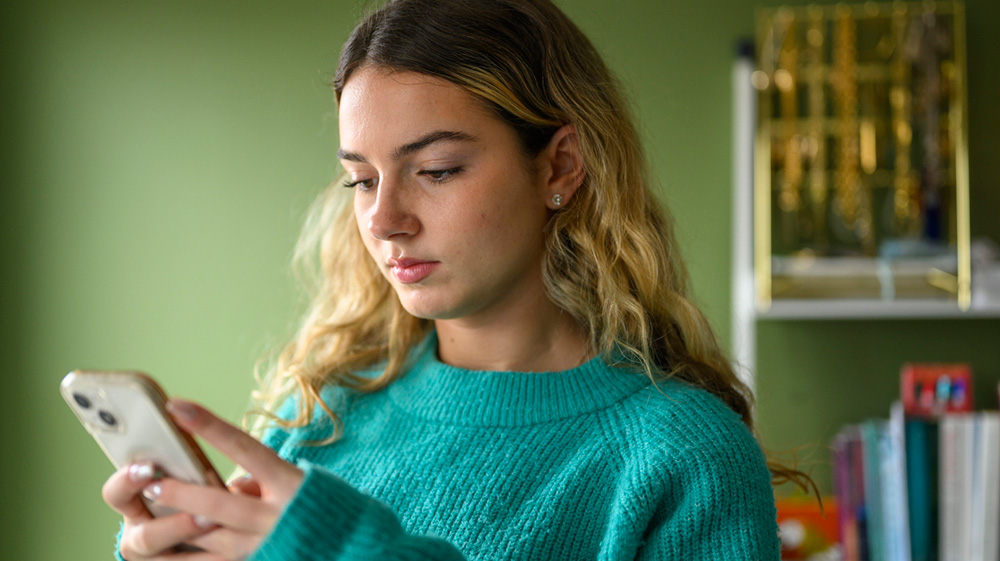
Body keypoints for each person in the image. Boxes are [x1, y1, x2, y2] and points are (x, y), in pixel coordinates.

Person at [102, 0, 814, 559]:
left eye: (436, 170)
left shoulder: (684, 458)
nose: (384, 219)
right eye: (361, 179)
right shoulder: (320, 412)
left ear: (560, 166)